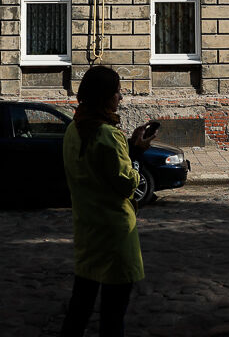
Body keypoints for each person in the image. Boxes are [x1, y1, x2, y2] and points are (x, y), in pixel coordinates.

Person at [60, 66, 158, 337]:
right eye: (117, 91)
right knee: (113, 314)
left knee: (79, 307)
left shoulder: (73, 130)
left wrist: (129, 147)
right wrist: (136, 154)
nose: (120, 97)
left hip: (87, 229)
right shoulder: (108, 134)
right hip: (114, 233)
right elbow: (127, 183)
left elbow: (97, 168)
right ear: (104, 96)